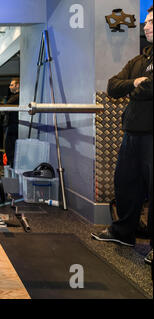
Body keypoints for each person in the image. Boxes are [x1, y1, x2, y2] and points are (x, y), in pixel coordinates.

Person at [92, 6, 153, 268]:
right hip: (131, 134)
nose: (146, 26)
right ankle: (124, 234)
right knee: (126, 184)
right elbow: (112, 86)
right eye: (146, 21)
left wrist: (140, 84)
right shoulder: (139, 60)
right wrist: (134, 82)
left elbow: (148, 88)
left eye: (151, 22)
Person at [1, 78, 19, 167]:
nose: (9, 87)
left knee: (10, 149)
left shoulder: (16, 98)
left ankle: (12, 166)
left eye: (12, 85)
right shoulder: (14, 97)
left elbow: (4, 109)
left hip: (12, 126)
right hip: (12, 125)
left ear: (18, 85)